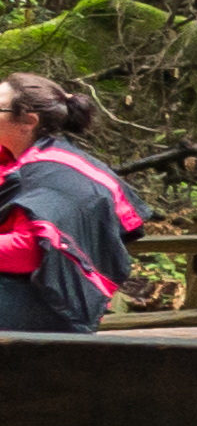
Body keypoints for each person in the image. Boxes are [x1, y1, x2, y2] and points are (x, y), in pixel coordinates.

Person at [0, 72, 140, 335]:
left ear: (28, 122)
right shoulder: (21, 158)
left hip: (51, 304)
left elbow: (28, 251)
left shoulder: (52, 173)